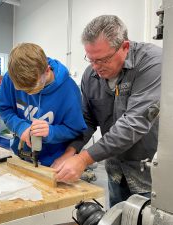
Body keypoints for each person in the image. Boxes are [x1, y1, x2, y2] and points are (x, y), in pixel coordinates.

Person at [55, 15, 162, 207]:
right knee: (117, 216)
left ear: (125, 47)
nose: (95, 68)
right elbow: (86, 120)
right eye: (91, 59)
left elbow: (133, 124)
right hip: (115, 171)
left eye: (102, 60)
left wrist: (83, 159)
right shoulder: (91, 75)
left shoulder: (152, 63)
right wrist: (71, 152)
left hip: (150, 174)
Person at [0, 43, 87, 166]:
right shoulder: (11, 78)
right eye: (22, 90)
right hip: (21, 156)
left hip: (55, 163)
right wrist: (20, 126)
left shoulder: (69, 90)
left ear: (47, 70)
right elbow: (4, 108)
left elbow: (75, 130)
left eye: (33, 89)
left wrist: (51, 132)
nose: (28, 94)